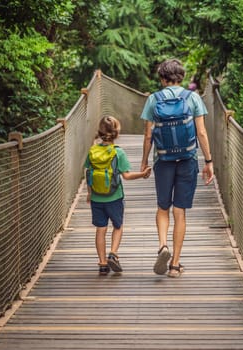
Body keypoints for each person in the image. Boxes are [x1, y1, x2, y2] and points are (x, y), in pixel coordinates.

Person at [140, 58, 214, 278]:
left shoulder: (153, 100)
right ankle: (175, 265)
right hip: (187, 159)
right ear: (181, 77)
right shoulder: (192, 98)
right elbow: (201, 132)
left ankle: (163, 246)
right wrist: (208, 162)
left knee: (163, 207)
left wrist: (144, 162)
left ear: (162, 78)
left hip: (163, 161)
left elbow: (147, 135)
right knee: (179, 211)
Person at [85, 116, 152, 275]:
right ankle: (113, 253)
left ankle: (102, 263)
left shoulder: (92, 151)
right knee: (118, 226)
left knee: (101, 229)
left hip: (96, 197)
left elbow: (88, 173)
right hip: (114, 197)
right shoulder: (118, 152)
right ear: (116, 134)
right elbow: (126, 176)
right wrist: (142, 174)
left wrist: (89, 193)